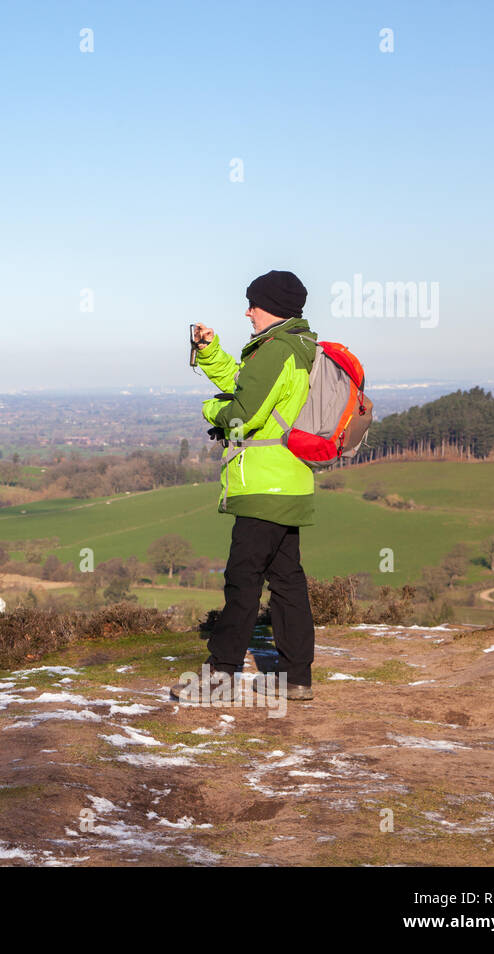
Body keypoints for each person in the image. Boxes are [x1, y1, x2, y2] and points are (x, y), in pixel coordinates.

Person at [172, 270, 318, 702]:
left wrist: (210, 410)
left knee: (242, 578)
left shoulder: (276, 352)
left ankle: (220, 677)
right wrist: (210, 352)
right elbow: (245, 382)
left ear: (269, 305)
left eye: (252, 303)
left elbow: (244, 412)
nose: (247, 311)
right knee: (286, 578)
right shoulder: (296, 347)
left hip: (264, 484)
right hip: (290, 480)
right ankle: (296, 677)